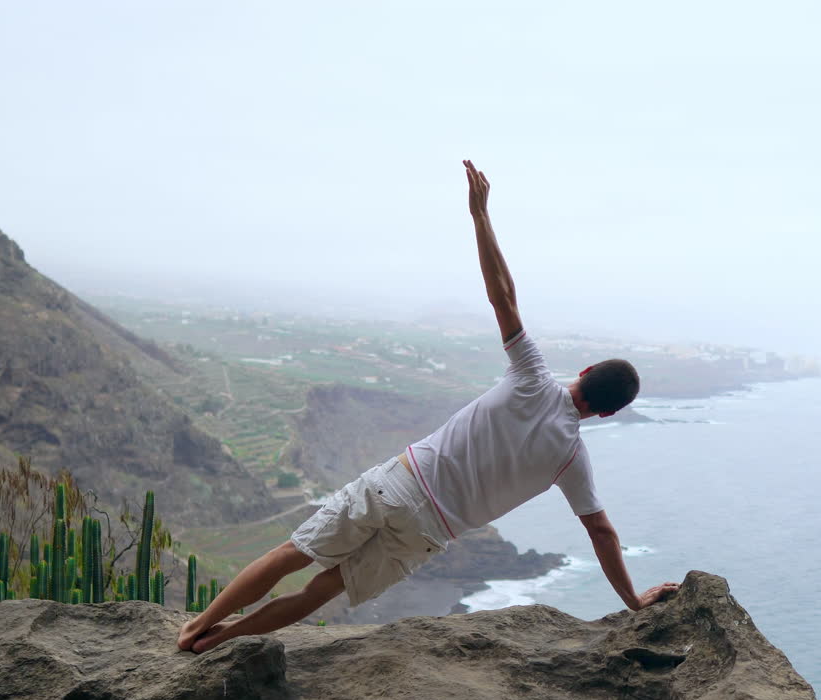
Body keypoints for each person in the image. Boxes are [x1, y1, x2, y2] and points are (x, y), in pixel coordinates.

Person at [178, 160, 679, 653]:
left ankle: (198, 625)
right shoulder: (571, 458)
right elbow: (601, 530)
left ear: (586, 371)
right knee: (320, 591)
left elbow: (502, 295)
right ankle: (219, 642)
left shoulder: (530, 375)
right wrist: (633, 600)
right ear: (608, 414)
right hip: (426, 532)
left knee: (293, 554)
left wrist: (480, 216)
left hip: (400, 483)